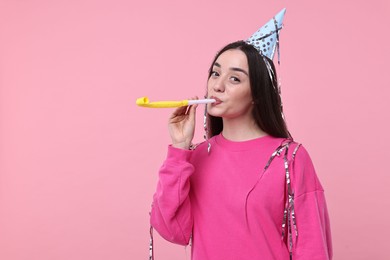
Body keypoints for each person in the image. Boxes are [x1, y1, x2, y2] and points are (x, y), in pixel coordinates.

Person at [149, 40, 332, 260]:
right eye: (215, 74)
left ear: (257, 94)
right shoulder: (196, 157)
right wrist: (179, 149)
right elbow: (172, 230)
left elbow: (312, 249)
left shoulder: (290, 157)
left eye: (234, 78)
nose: (218, 86)